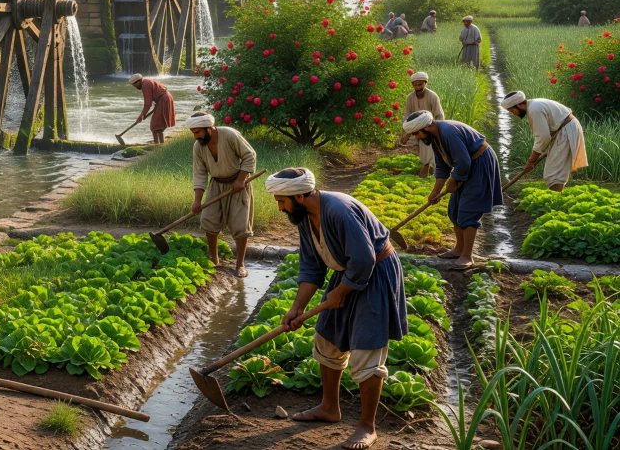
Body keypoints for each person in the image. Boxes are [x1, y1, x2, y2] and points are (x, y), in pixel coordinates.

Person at [269, 168, 407, 450]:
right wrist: (297, 308)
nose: (280, 208)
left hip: (375, 274)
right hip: (347, 275)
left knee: (367, 347)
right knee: (327, 338)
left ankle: (367, 427)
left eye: (282, 201)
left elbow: (364, 260)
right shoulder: (305, 218)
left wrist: (340, 292)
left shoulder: (339, 210)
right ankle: (329, 407)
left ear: (299, 196)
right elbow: (311, 267)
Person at [401, 112, 503, 268]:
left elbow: (463, 162)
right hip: (467, 165)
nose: (417, 137)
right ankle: (459, 248)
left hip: (480, 163)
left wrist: (454, 180)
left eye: (416, 133)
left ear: (426, 127)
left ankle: (467, 256)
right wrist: (435, 192)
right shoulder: (435, 139)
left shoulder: (449, 132)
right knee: (454, 209)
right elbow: (442, 167)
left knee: (468, 210)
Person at [186, 112, 257, 277]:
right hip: (216, 185)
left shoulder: (230, 135)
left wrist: (240, 180)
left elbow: (250, 156)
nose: (195, 137)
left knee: (240, 225)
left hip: (238, 185)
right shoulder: (198, 147)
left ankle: (240, 264)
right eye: (193, 133)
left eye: (198, 132)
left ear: (209, 128)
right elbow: (200, 174)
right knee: (208, 220)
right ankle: (214, 259)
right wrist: (197, 201)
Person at [502, 91, 587, 191]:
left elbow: (543, 138)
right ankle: (555, 196)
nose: (513, 114)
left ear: (519, 105)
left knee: (553, 175)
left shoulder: (534, 110)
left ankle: (556, 198)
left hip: (565, 131)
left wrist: (531, 160)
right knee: (553, 174)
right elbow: (544, 136)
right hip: (562, 130)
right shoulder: (533, 106)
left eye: (512, 111)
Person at [399, 72, 444, 177]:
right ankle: (430, 168)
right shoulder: (410, 98)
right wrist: (407, 133)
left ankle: (427, 167)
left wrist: (435, 130)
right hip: (416, 129)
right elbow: (407, 116)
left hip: (431, 127)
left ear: (425, 83)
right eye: (415, 85)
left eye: (420, 85)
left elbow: (439, 115)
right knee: (424, 148)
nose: (418, 87)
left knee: (427, 144)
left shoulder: (432, 96)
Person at [130, 73, 176, 144]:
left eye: (135, 85)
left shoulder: (145, 85)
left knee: (157, 125)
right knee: (155, 125)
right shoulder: (147, 81)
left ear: (139, 81)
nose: (135, 87)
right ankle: (156, 142)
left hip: (163, 100)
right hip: (163, 99)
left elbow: (148, 104)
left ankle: (160, 144)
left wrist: (141, 115)